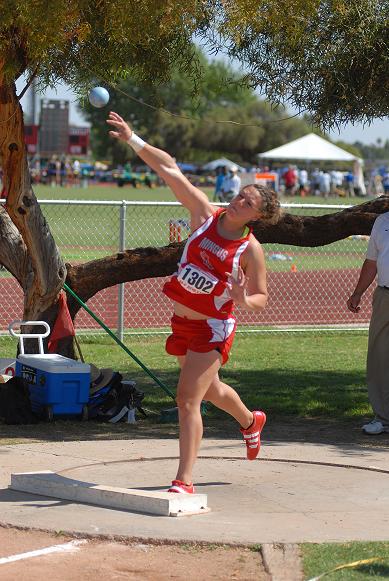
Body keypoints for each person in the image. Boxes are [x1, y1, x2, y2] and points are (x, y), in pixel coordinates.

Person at [107, 111, 281, 493]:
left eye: (248, 203)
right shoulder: (204, 215)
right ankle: (251, 422)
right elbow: (170, 169)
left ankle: (184, 480)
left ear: (259, 216)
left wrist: (242, 297)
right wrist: (133, 138)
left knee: (187, 399)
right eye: (239, 196)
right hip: (182, 321)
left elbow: (262, 298)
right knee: (211, 390)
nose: (238, 203)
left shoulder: (249, 249)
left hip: (213, 327)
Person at [347, 213, 389, 435]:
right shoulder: (382, 221)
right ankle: (383, 418)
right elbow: (372, 262)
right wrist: (358, 292)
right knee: (379, 357)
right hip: (384, 296)